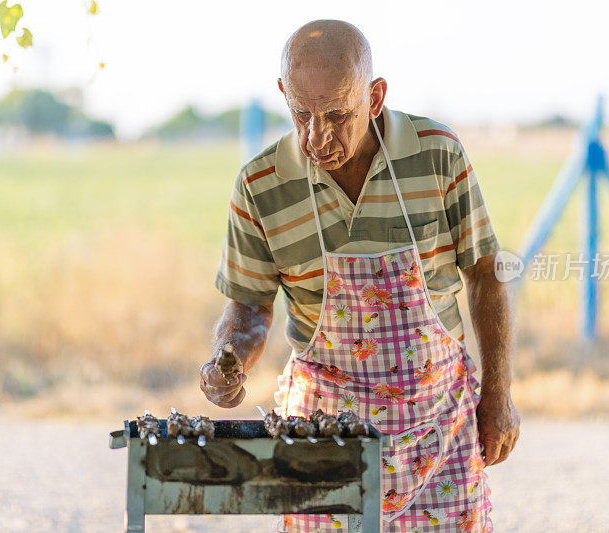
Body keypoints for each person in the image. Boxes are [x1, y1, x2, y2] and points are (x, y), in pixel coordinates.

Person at [200, 19, 520, 533]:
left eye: (336, 116)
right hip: (324, 444)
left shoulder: (437, 153)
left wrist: (498, 395)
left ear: (374, 99)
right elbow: (250, 306)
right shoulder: (260, 185)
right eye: (301, 114)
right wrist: (230, 358)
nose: (316, 137)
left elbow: (486, 273)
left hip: (440, 430)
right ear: (283, 94)